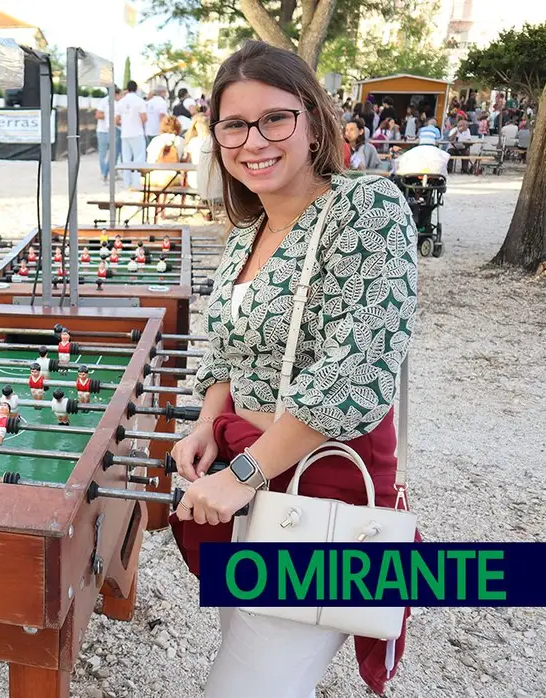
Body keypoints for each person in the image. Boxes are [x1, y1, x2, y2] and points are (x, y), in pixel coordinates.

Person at [172, 40, 418, 698]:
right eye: (233, 124)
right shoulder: (246, 232)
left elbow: (354, 372)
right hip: (246, 483)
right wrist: (204, 425)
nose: (254, 139)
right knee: (256, 651)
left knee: (248, 685)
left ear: (313, 120)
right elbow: (225, 351)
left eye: (274, 118)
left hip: (319, 485)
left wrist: (245, 475)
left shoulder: (365, 210)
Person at [116, 81, 148, 188]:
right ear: (136, 88)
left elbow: (116, 120)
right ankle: (136, 183)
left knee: (126, 159)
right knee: (139, 158)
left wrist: (124, 124)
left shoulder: (121, 102)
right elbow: (144, 118)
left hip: (125, 133)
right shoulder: (140, 101)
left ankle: (127, 183)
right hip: (137, 132)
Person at [94, 88, 122, 182]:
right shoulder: (104, 101)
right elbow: (98, 115)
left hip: (110, 129)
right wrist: (109, 116)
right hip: (103, 131)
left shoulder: (117, 103)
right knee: (104, 154)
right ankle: (104, 173)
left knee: (113, 153)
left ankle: (110, 173)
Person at [144, 85, 169, 149]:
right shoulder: (162, 102)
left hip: (148, 131)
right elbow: (162, 116)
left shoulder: (147, 103)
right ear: (162, 92)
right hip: (157, 131)